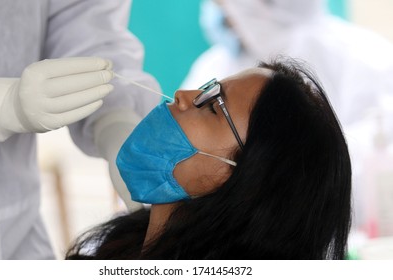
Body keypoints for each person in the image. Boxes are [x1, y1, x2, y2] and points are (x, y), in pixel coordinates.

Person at [66, 59, 352, 260]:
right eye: (205, 89)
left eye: (213, 107)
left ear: (251, 178)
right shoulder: (117, 250)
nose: (182, 96)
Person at [0, 0, 160, 259]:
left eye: (214, 106)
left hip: (20, 246)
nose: (185, 99)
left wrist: (114, 118)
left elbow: (85, 18)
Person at [182, 0, 393, 235]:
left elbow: (363, 171)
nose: (216, 9)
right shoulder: (214, 65)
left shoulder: (364, 57)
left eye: (222, 3)